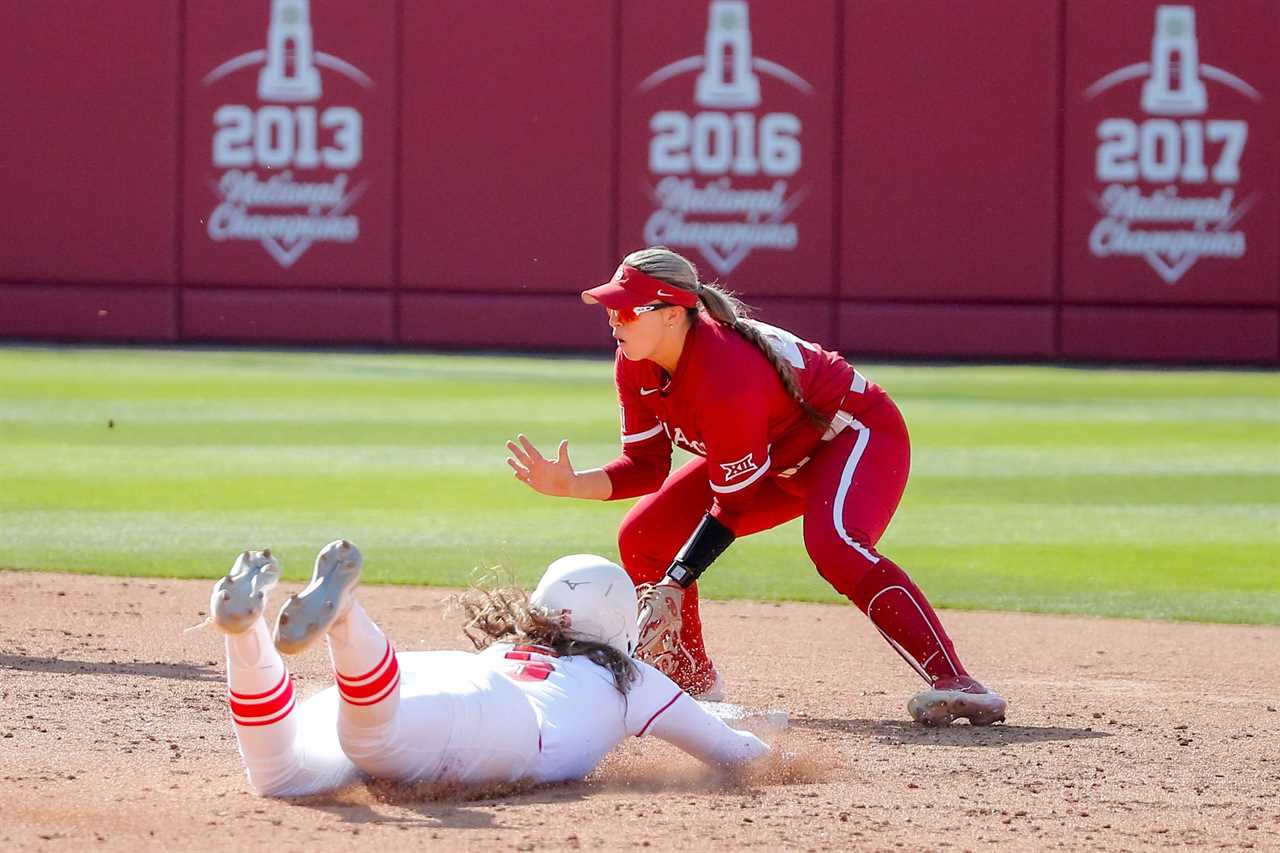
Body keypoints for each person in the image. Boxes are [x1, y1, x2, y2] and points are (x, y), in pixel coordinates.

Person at [504, 246, 1006, 727]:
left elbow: (735, 504)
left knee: (836, 546)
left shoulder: (725, 373)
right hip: (774, 458)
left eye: (627, 309)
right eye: (612, 309)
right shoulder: (635, 362)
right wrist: (573, 484)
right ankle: (690, 682)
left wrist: (676, 581)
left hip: (852, 434)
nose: (614, 318)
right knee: (643, 535)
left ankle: (957, 682)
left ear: (673, 314)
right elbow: (646, 465)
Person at [209, 540, 770, 797]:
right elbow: (732, 752)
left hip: (427, 676)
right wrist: (784, 756)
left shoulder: (509, 646)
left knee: (279, 777)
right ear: (616, 619)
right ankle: (346, 614)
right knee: (374, 742)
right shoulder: (631, 678)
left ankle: (247, 630)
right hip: (502, 721)